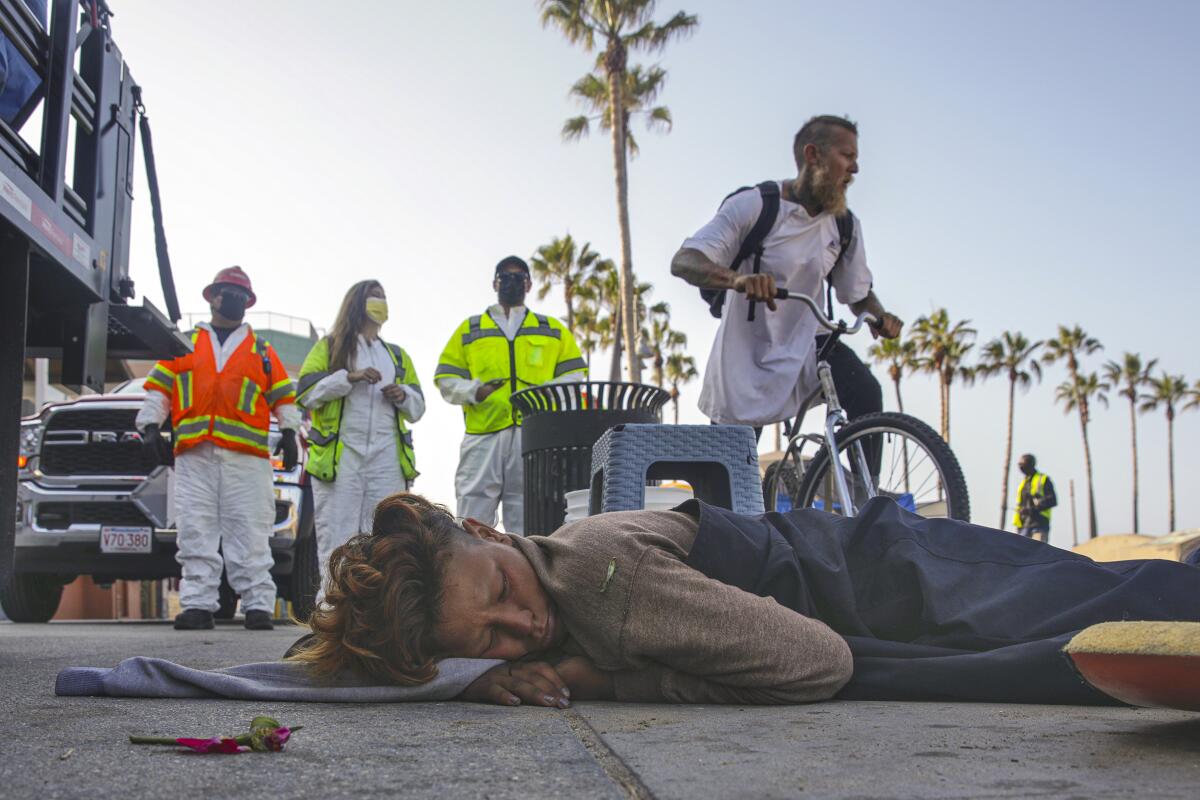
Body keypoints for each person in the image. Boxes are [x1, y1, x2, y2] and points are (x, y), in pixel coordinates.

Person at [289, 493, 1200, 708]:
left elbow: (823, 663)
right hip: (868, 552)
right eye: (486, 638)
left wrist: (602, 678)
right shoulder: (551, 572)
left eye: (501, 594)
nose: (521, 625)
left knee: (1130, 610)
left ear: (488, 534)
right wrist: (479, 675)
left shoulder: (601, 584)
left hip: (899, 575)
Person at [670, 115, 903, 450]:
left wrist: (881, 317)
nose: (855, 169)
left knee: (865, 390)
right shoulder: (756, 205)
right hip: (745, 356)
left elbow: (858, 292)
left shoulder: (844, 225)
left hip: (810, 342)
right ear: (813, 155)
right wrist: (738, 280)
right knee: (731, 478)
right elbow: (685, 260)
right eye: (847, 156)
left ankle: (865, 493)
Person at [138, 266, 299, 631]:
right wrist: (148, 426)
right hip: (195, 456)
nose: (237, 301)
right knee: (196, 530)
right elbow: (160, 390)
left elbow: (284, 398)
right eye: (231, 293)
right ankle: (197, 605)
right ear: (213, 297)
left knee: (251, 531)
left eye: (243, 295)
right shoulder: (183, 344)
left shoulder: (262, 350)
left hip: (247, 458)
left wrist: (289, 432)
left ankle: (258, 605)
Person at [433, 256, 587, 535]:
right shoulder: (471, 329)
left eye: (518, 278)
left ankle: (523, 574)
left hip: (532, 435)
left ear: (528, 284)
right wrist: (474, 391)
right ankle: (472, 573)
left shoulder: (551, 329)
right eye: (505, 277)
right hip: (483, 435)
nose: (511, 283)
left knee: (528, 513)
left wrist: (542, 395)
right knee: (472, 514)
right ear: (495, 283)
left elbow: (574, 376)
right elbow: (445, 378)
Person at [297, 280, 425, 602]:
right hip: (343, 458)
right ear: (357, 302)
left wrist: (402, 394)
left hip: (386, 457)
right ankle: (330, 610)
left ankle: (377, 614)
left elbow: (418, 407)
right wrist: (348, 378)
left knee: (384, 537)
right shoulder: (330, 347)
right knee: (337, 536)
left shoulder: (396, 355)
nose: (381, 302)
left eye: (384, 296)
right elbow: (306, 393)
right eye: (375, 295)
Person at [1013, 454, 1056, 542]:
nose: (1020, 468)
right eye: (1019, 465)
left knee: (1038, 553)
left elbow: (1052, 500)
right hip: (1023, 526)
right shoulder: (1023, 483)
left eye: (1023, 465)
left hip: (1039, 525)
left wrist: (1032, 509)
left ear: (1030, 464)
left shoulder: (1043, 479)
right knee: (1022, 554)